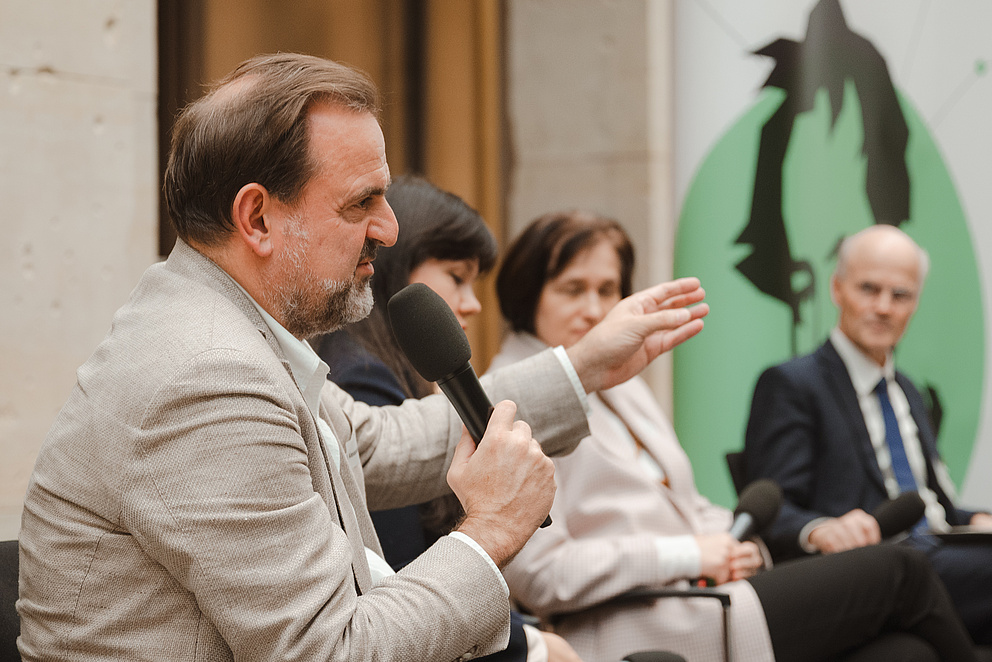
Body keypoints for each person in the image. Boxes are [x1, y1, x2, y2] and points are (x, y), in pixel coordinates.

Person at [16, 54, 708, 662]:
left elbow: (374, 444)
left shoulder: (226, 327)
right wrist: (492, 529)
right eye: (361, 203)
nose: (390, 228)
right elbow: (332, 651)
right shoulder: (203, 374)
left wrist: (582, 365)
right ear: (256, 218)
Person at [491, 211, 982, 662]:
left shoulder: (620, 384)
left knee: (907, 653)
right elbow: (540, 576)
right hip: (642, 620)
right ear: (527, 292)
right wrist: (689, 553)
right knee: (902, 572)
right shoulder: (513, 398)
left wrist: (738, 542)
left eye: (607, 289)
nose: (595, 309)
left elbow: (687, 504)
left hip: (707, 594)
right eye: (572, 289)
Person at [315, 174, 582, 662]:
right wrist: (535, 646)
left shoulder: (389, 374)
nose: (473, 304)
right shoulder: (361, 378)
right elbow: (396, 581)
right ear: (394, 272)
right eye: (457, 277)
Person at [743, 223, 992, 644]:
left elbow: (935, 503)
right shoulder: (793, 384)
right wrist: (820, 528)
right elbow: (772, 508)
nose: (883, 307)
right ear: (837, 289)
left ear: (915, 304)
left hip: (940, 552)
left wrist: (975, 519)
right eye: (868, 289)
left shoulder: (908, 391)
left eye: (900, 296)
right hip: (875, 570)